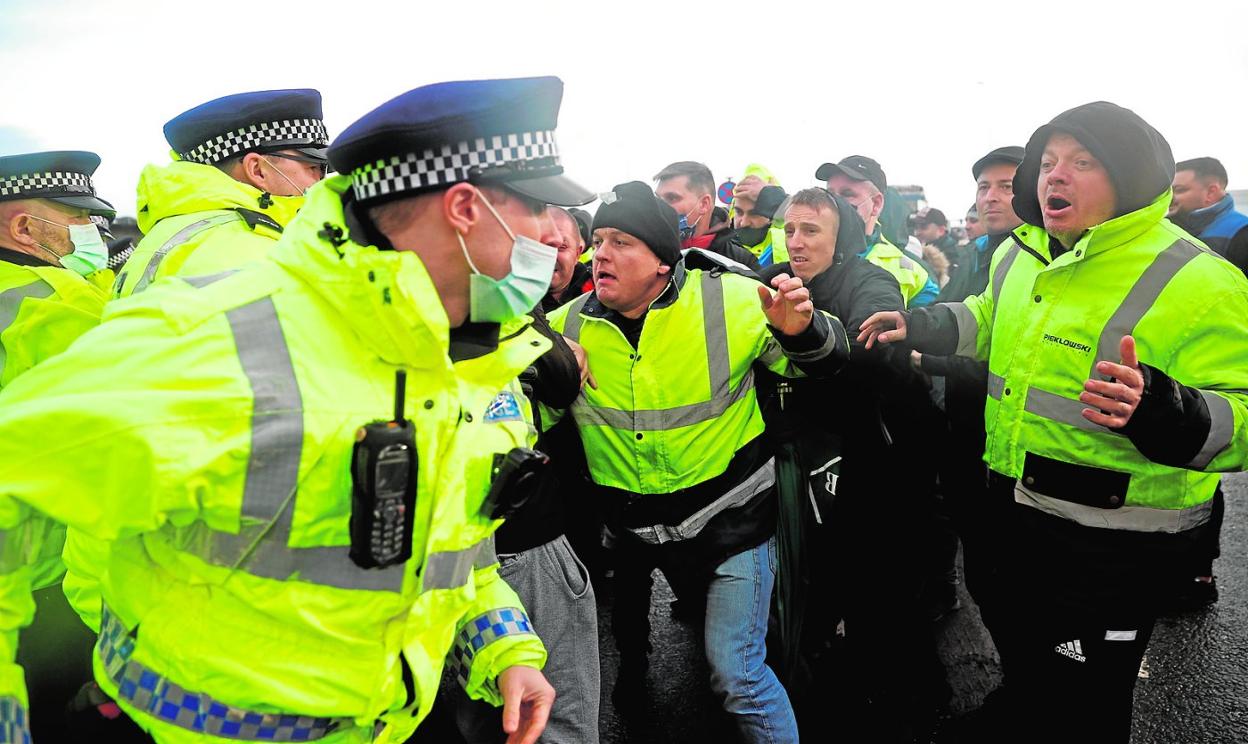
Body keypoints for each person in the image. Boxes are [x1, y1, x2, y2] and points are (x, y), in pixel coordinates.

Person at [0, 75, 598, 744]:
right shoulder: (218, 339)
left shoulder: (454, 351)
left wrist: (504, 649)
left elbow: (444, 546)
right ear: (464, 207)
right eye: (537, 207)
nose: (553, 234)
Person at [860, 101, 1248, 742]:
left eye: (1082, 162)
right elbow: (990, 317)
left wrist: (1166, 408)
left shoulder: (1202, 279)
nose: (1054, 177)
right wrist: (921, 323)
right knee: (1030, 651)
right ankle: (1022, 706)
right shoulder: (1023, 253)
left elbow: (1241, 412)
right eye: (1047, 163)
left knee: (1089, 696)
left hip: (1115, 545)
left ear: (1128, 174)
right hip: (1016, 510)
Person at [547, 181, 850, 743]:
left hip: (735, 525)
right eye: (599, 239)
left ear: (663, 262)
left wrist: (805, 330)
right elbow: (519, 418)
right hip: (633, 530)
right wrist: (539, 361)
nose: (601, 254)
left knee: (737, 677)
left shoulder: (735, 298)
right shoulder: (564, 329)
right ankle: (634, 677)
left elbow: (827, 363)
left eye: (621, 242)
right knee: (632, 637)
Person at [759, 188, 949, 740]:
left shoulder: (868, 278)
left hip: (880, 455)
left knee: (884, 584)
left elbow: (870, 339)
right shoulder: (773, 277)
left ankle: (915, 701)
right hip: (809, 458)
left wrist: (811, 332)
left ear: (839, 237)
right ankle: (828, 682)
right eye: (790, 230)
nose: (796, 242)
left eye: (811, 231)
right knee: (820, 578)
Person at [454, 205, 601, 744]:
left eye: (558, 242)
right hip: (514, 544)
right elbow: (559, 378)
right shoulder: (488, 296)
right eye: (526, 215)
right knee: (550, 719)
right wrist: (554, 343)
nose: (540, 245)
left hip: (480, 557)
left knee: (495, 712)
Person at [0, 150, 117, 742]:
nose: (94, 231)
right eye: (79, 218)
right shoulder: (58, 303)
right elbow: (110, 453)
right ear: (24, 227)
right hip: (45, 577)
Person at [113, 88, 329, 298]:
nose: (320, 179)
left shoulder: (179, 230)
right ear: (257, 170)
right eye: (313, 167)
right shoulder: (249, 251)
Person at [817, 155, 939, 306]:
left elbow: (930, 319)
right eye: (829, 194)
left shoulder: (914, 275)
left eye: (847, 194)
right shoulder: (799, 248)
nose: (834, 202)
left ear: (876, 204)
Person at [653, 161, 760, 269]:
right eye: (657, 198)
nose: (659, 206)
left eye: (672, 198)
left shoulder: (742, 262)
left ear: (704, 204)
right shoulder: (649, 252)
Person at [1168, 156, 1247, 275]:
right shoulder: (1167, 228)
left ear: (1211, 192)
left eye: (1179, 190)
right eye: (1168, 192)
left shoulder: (1242, 233)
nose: (1169, 198)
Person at [541, 207, 593, 312]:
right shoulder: (509, 298)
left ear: (577, 254)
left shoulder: (600, 298)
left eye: (562, 247)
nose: (550, 255)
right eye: (541, 244)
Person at [732, 182, 789, 266]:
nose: (744, 223)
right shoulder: (719, 245)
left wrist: (772, 196)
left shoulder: (789, 241)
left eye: (754, 214)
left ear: (771, 216)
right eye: (739, 212)